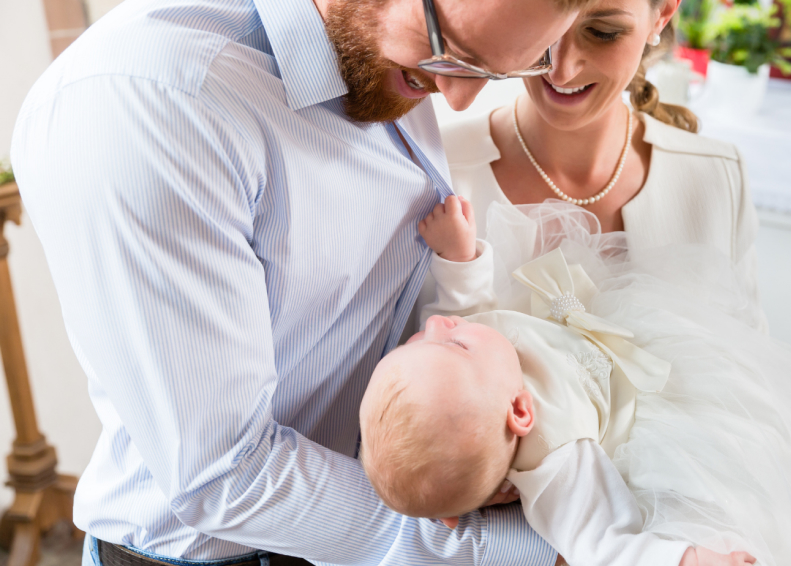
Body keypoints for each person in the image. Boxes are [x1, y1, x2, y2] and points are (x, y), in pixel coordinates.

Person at [10, 0, 587, 564]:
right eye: (450, 51)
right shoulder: (153, 101)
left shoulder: (379, 56)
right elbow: (224, 476)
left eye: (495, 70)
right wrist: (525, 551)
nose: (456, 95)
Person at [386, 195, 791, 566]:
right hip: (660, 415)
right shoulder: (555, 460)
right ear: (520, 411)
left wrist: (458, 257)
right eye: (451, 342)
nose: (434, 325)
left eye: (415, 344)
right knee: (766, 448)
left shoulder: (465, 369)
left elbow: (459, 308)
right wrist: (686, 559)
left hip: (640, 339)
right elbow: (599, 543)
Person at [431, 0, 765, 324]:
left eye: (603, 32)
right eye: (545, 23)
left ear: (661, 14)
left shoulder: (717, 176)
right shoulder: (439, 170)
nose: (561, 70)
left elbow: (745, 364)